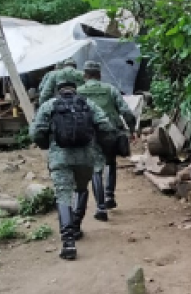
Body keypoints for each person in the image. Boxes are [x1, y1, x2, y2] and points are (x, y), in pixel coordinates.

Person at [30, 79, 117, 260]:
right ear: (75, 90)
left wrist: (47, 143)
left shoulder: (49, 106)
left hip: (59, 158)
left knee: (63, 195)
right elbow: (106, 126)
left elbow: (36, 132)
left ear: (58, 91)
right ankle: (76, 226)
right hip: (85, 157)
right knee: (81, 189)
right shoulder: (87, 104)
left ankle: (68, 242)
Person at [78, 61, 136, 211]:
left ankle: (101, 204)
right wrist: (132, 129)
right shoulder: (110, 89)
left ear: (85, 75)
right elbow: (126, 111)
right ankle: (109, 195)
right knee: (110, 162)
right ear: (99, 75)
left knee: (96, 166)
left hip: (88, 133)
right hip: (110, 132)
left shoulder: (78, 92)